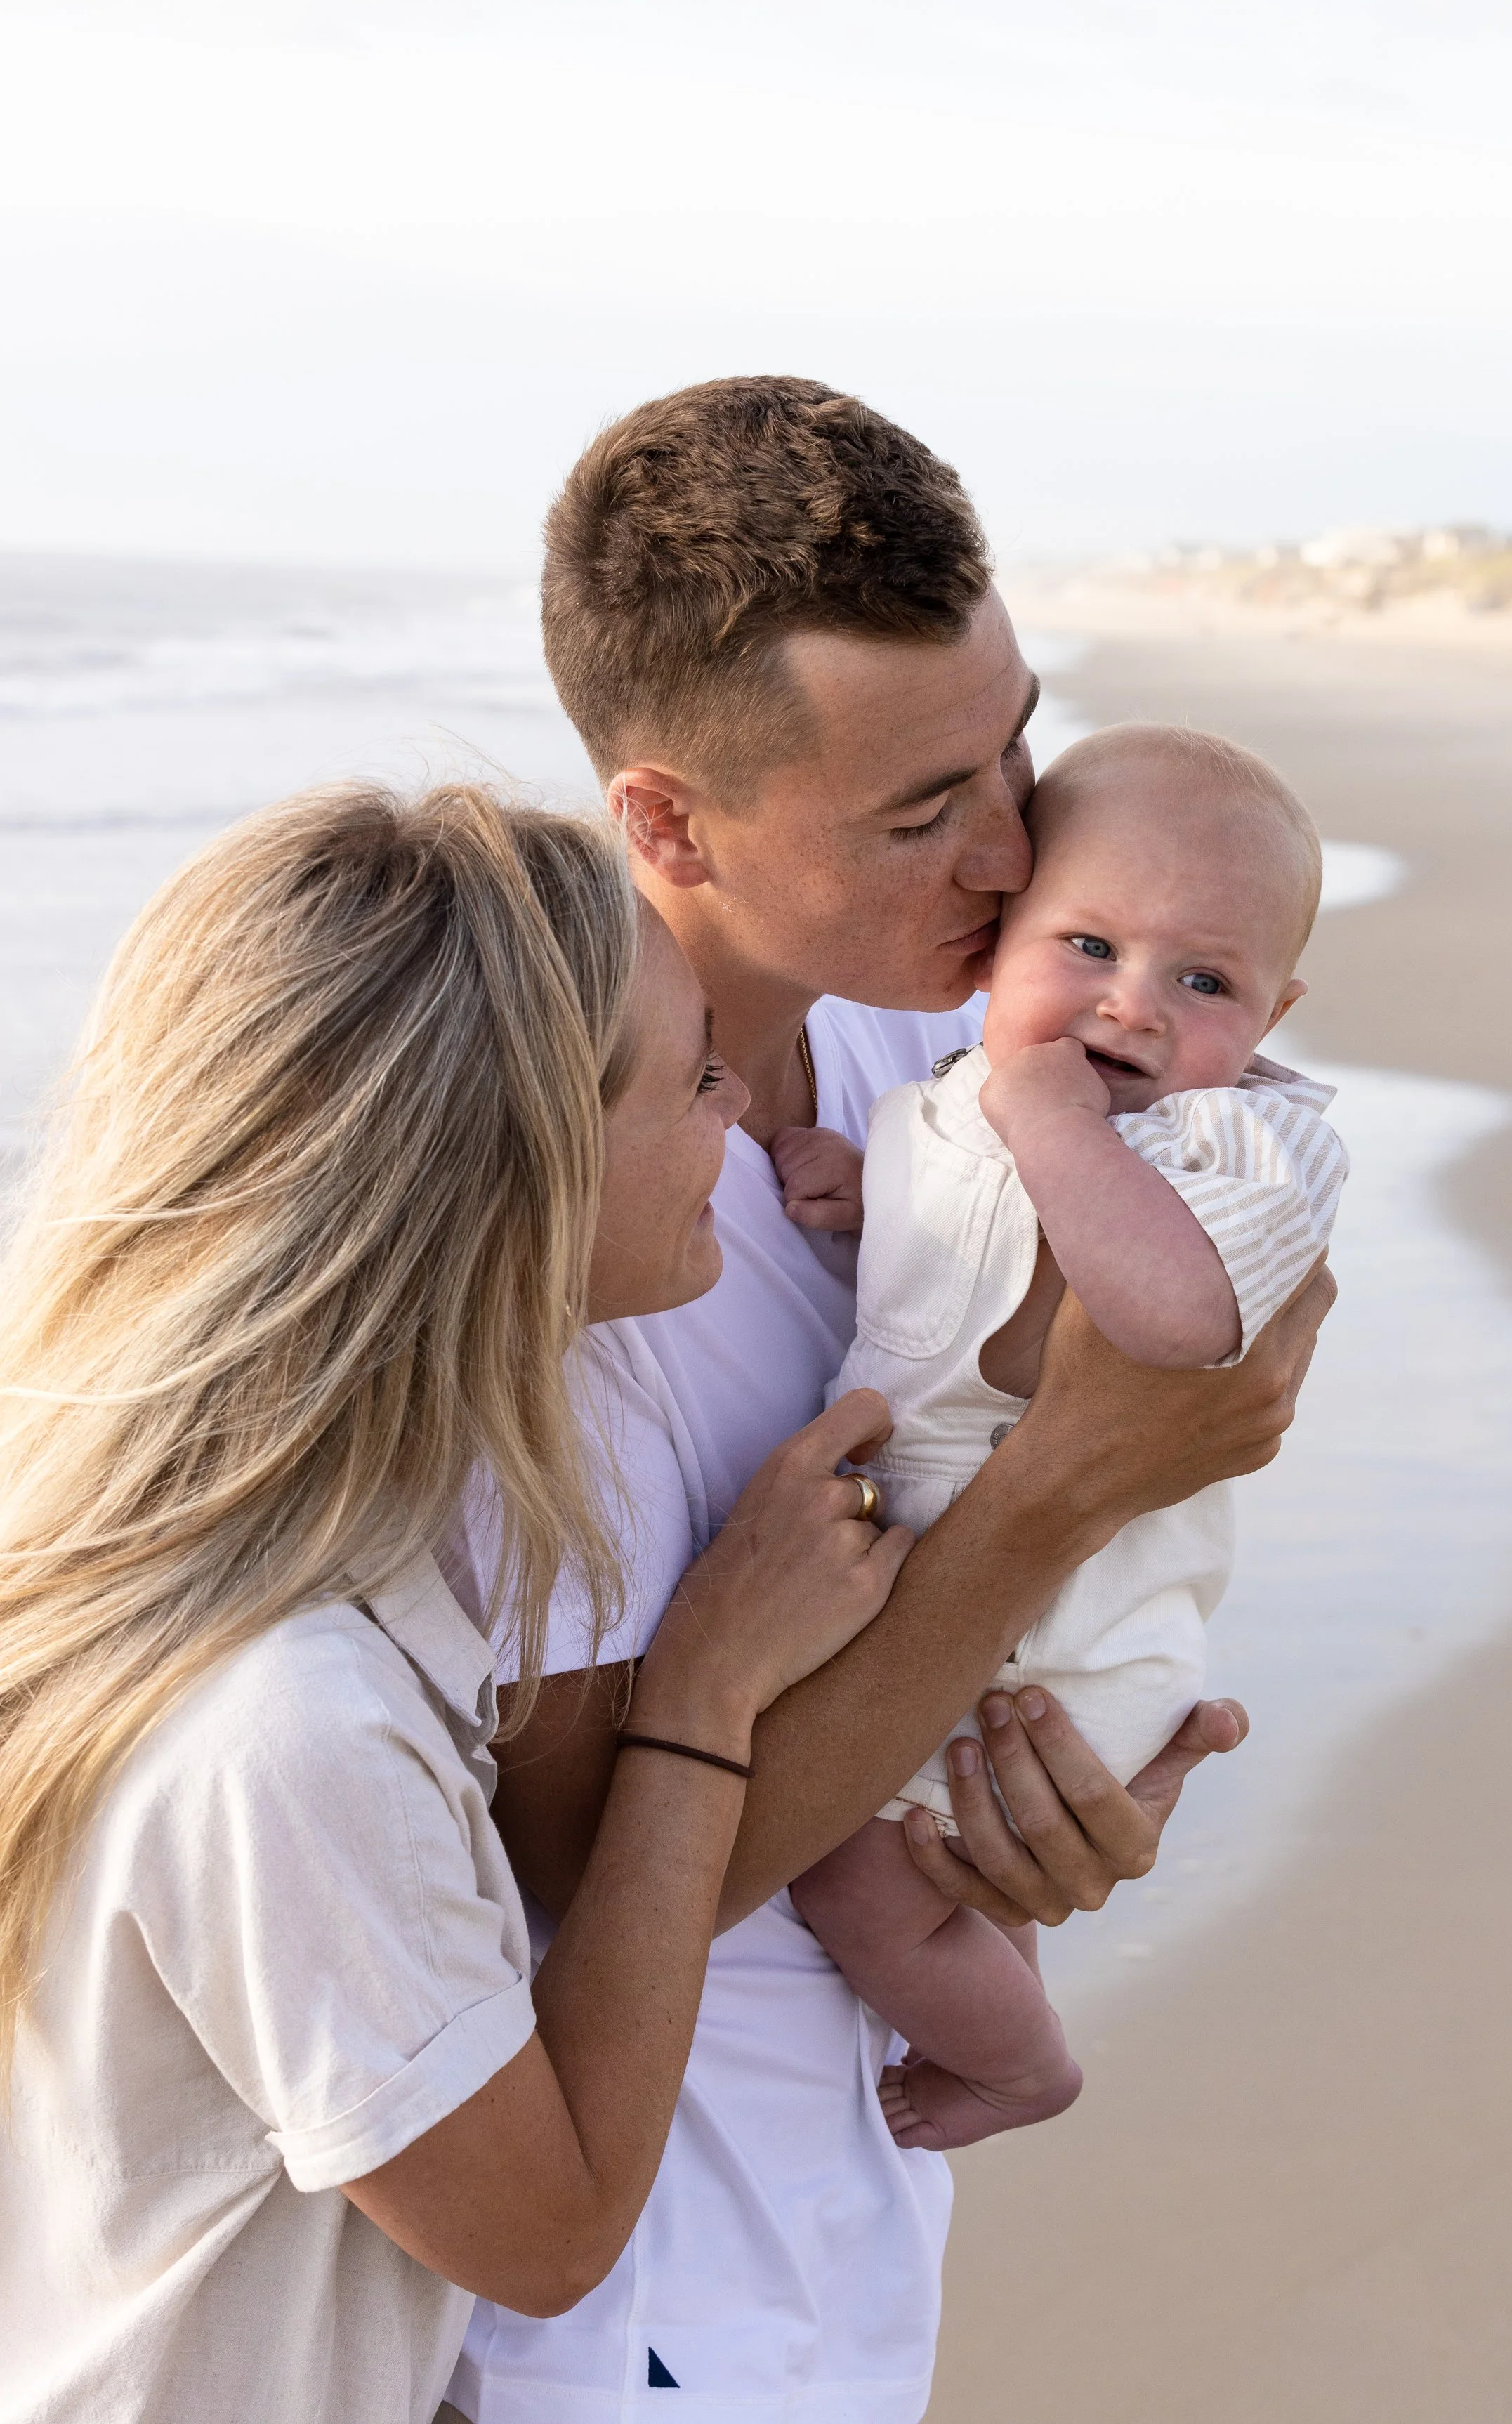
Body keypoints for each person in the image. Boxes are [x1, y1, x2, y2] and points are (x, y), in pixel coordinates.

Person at [448, 379, 1335, 2421]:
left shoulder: (913, 1064)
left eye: (1009, 747)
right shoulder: (553, 1237)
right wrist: (1044, 1498)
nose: (1014, 847)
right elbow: (589, 1865)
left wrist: (1041, 1800)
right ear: (666, 821)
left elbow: (1225, 1308)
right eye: (919, 811)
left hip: (857, 2195)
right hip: (637, 2286)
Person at [0, 783, 915, 2424]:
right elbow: (549, 2234)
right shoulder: (284, 1726)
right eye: (690, 1073)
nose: (739, 1109)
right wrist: (703, 1692)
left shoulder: (200, 1560)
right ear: (513, 1174)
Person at [787, 723, 1349, 2151]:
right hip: (964, 1608)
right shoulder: (957, 1096)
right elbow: (960, 1266)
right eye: (1086, 945)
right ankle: (993, 2010)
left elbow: (1165, 1317)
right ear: (995, 943)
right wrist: (871, 1196)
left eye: (1202, 980)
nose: (1132, 1009)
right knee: (937, 1872)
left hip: (1065, 1645)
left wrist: (1051, 1128)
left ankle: (1023, 2067)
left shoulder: (1221, 1146)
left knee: (859, 1879)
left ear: (1271, 1019)